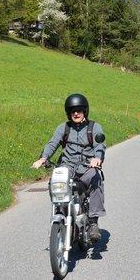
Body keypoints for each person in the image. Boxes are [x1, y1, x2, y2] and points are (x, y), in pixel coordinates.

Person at [32, 93, 105, 242]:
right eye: (73, 111)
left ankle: (93, 223)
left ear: (85, 111)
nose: (76, 113)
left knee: (96, 179)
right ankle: (61, 212)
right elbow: (53, 143)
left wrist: (97, 158)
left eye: (79, 110)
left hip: (87, 166)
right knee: (56, 180)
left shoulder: (94, 127)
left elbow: (100, 145)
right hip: (67, 165)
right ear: (68, 113)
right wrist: (43, 158)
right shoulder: (63, 128)